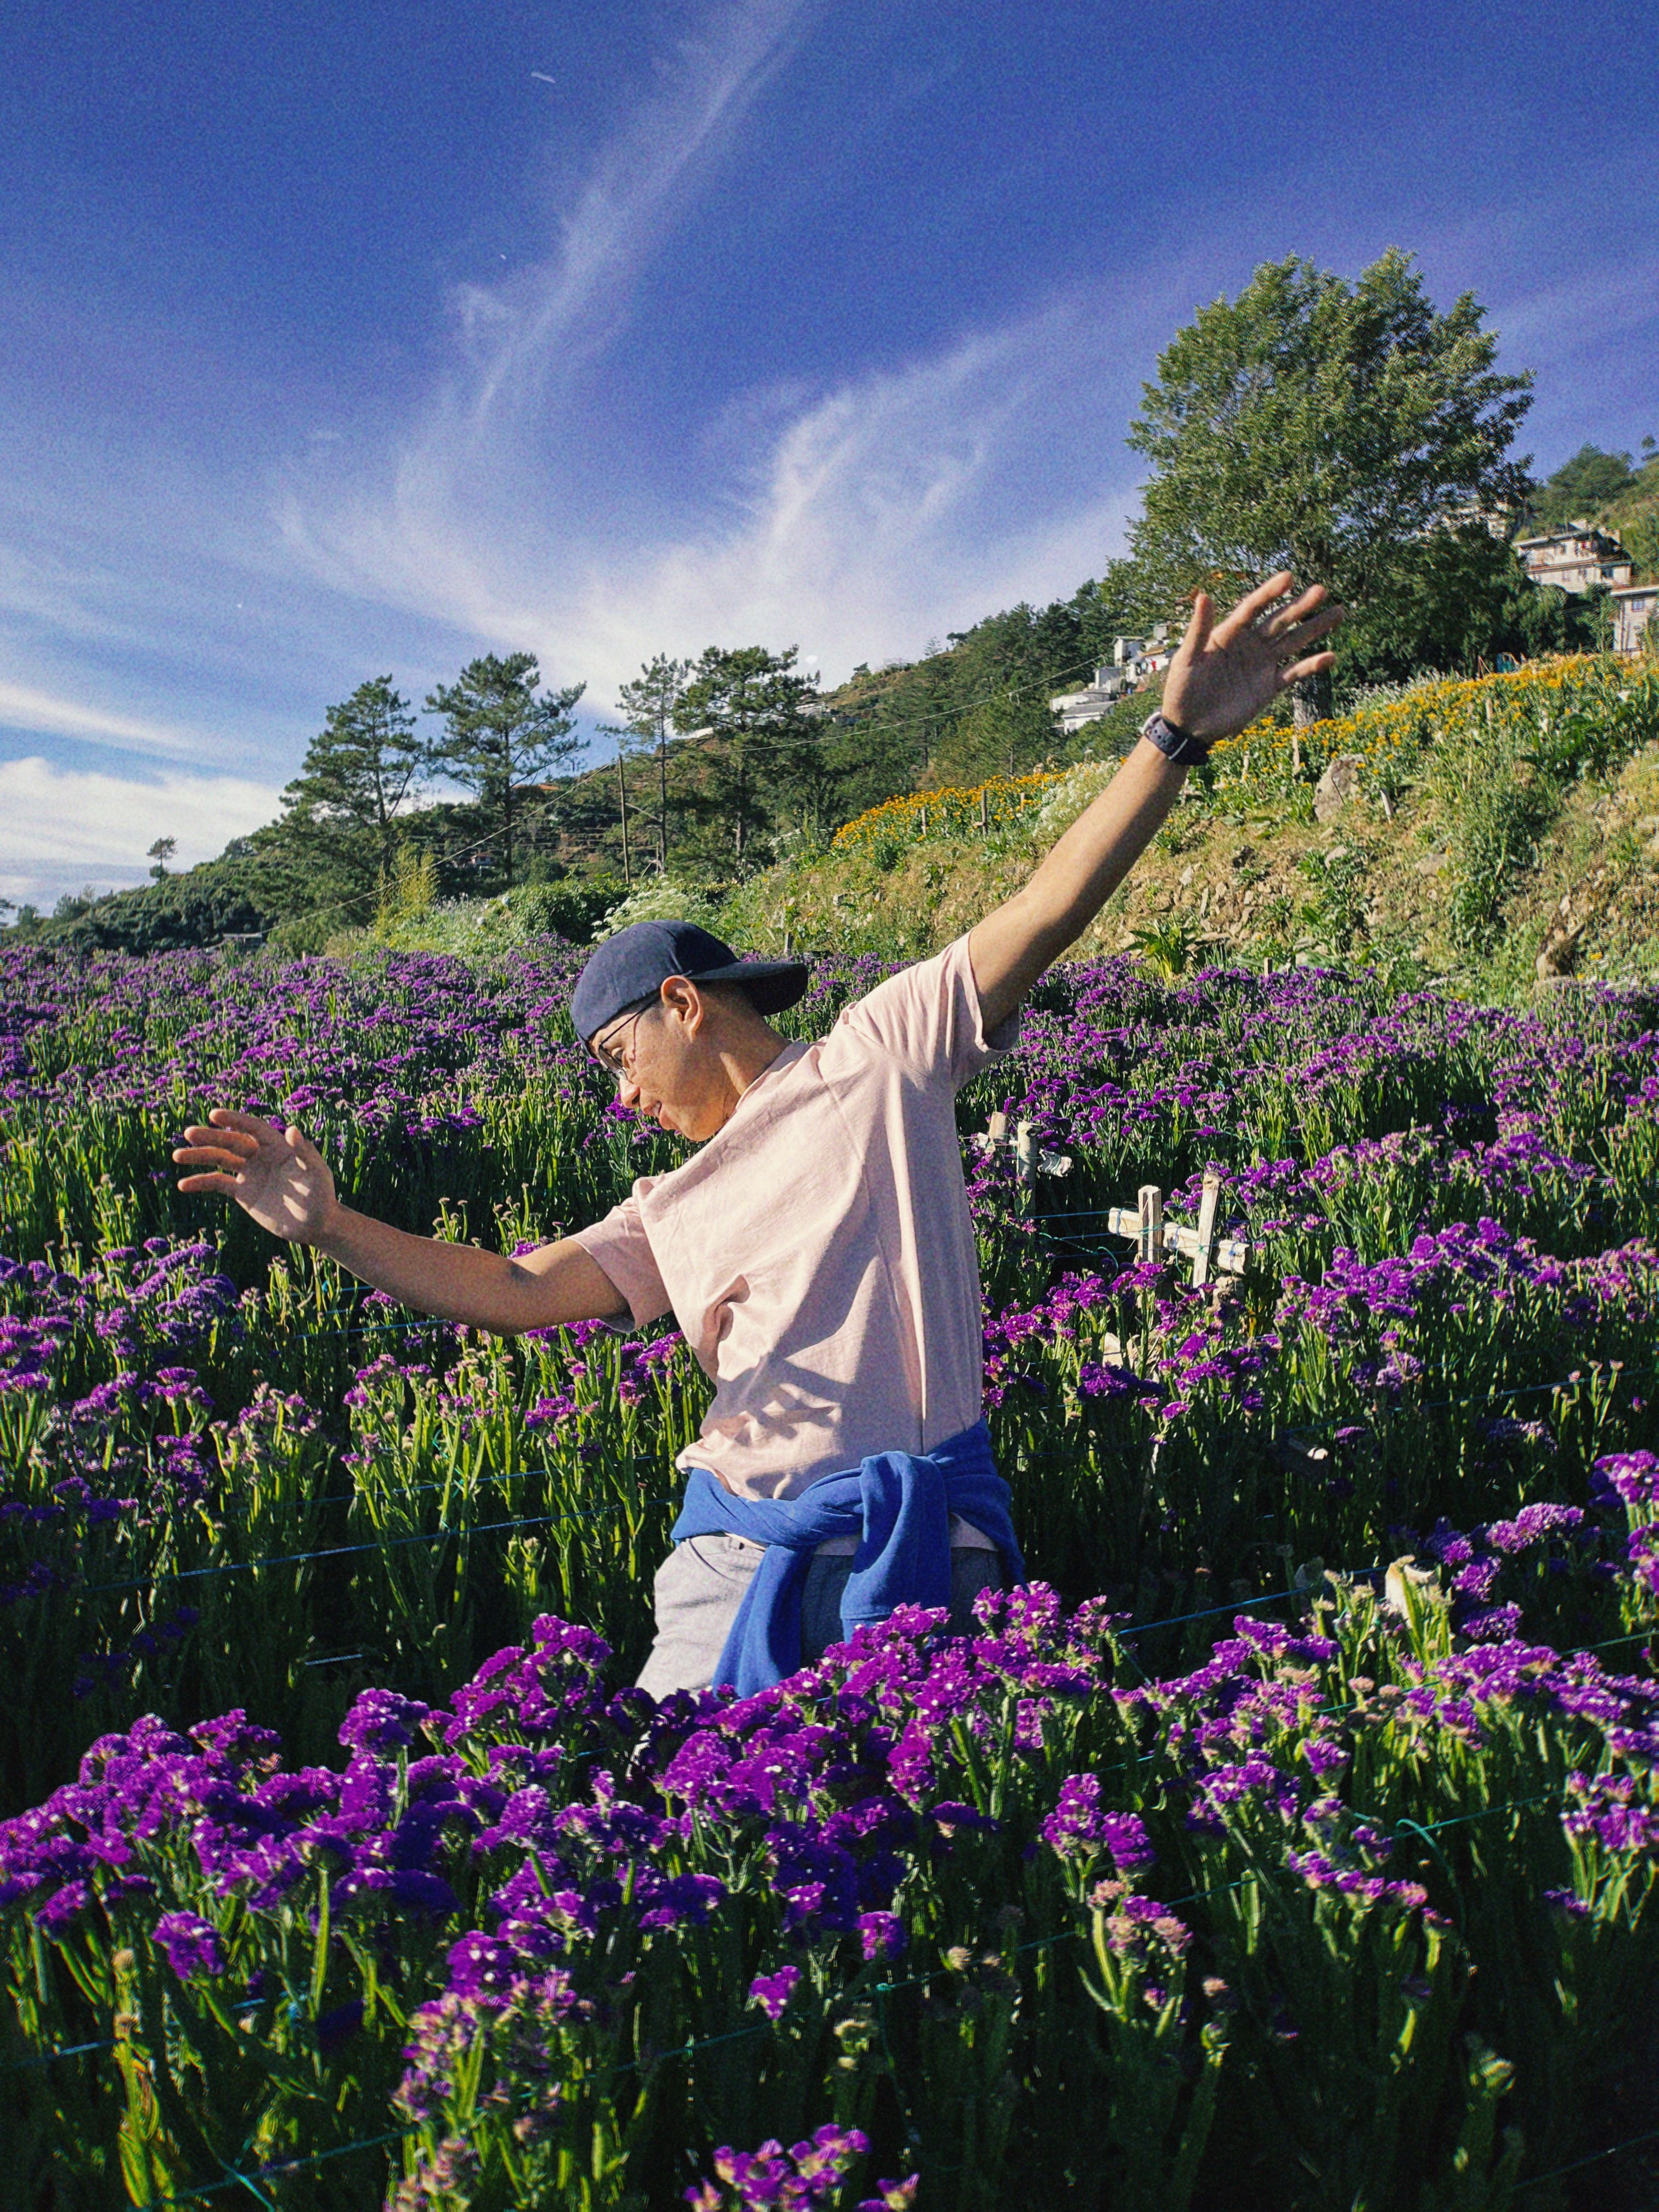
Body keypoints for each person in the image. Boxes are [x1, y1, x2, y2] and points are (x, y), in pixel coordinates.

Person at [173, 574, 1341, 1697]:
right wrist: (327, 1227)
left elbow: (1042, 910)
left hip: (932, 1548)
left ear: (682, 1004)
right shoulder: (668, 1208)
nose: (619, 1098)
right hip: (735, 1559)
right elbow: (515, 1289)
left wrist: (1171, 740)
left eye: (615, 1059)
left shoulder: (881, 1060)